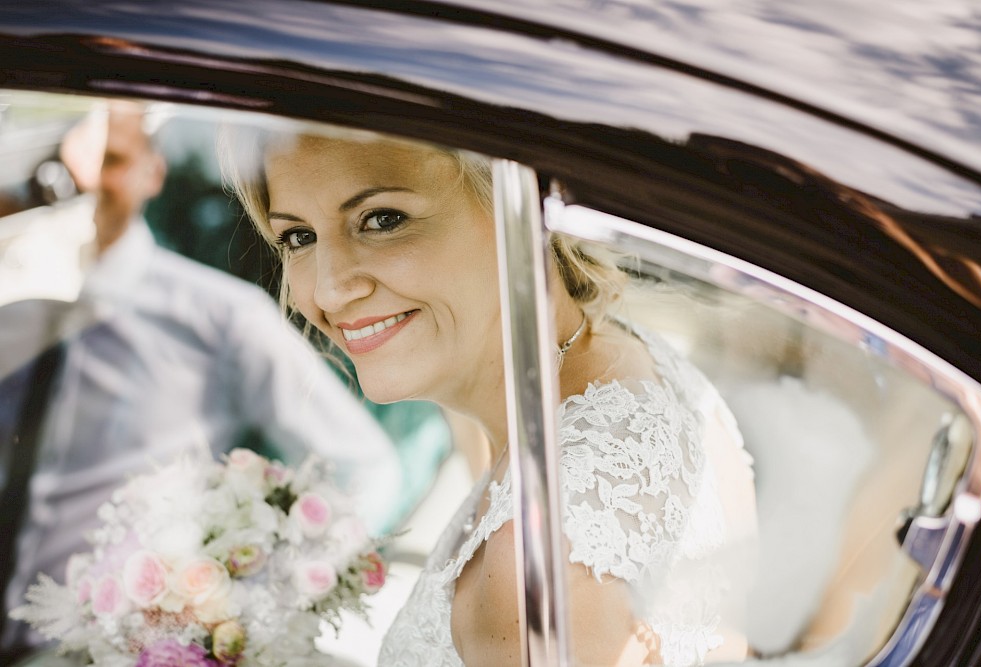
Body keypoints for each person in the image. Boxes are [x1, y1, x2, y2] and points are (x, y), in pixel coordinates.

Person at [221, 127, 757, 666]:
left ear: (521, 206)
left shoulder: (534, 570)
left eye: (383, 220)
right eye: (298, 237)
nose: (329, 290)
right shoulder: (618, 359)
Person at [0, 103, 404, 662]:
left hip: (105, 651)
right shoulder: (14, 304)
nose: (86, 183)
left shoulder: (221, 316)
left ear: (152, 172)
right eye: (63, 167)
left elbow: (366, 467)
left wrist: (247, 604)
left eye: (112, 161)